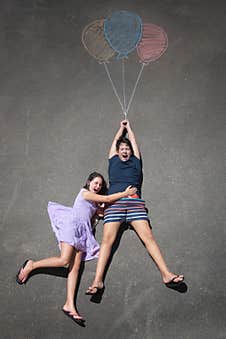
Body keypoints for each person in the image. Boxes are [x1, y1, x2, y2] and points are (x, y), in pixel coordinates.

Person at [16, 172, 137, 325]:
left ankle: (69, 305)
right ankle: (32, 265)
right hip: (72, 225)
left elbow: (104, 208)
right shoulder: (84, 193)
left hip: (83, 233)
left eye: (100, 185)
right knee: (65, 260)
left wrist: (115, 205)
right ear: (89, 182)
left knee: (75, 269)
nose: (97, 186)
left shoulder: (94, 203)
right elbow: (106, 199)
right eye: (95, 183)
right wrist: (126, 193)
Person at [86, 120, 184, 295]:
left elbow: (134, 144)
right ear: (118, 151)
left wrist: (129, 129)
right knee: (107, 241)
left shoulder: (136, 162)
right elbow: (114, 144)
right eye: (122, 148)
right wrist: (120, 129)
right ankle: (97, 281)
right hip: (114, 203)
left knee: (149, 239)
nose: (125, 150)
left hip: (134, 203)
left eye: (127, 149)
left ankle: (166, 274)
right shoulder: (113, 160)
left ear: (130, 151)